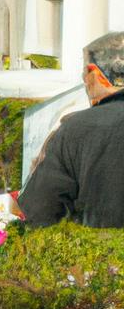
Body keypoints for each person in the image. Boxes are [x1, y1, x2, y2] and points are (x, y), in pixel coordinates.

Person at [19, 31, 124, 227]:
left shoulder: (75, 129)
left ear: (95, 74)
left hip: (102, 254)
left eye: (85, 73)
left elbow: (42, 211)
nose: (84, 81)